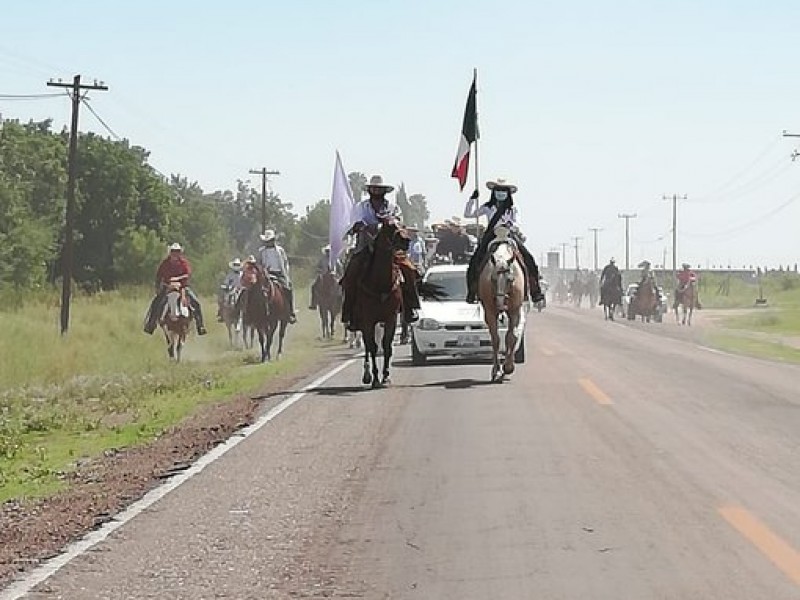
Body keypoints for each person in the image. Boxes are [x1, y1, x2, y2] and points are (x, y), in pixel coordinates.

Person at [340, 174, 420, 329]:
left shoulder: (392, 207)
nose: (376, 191)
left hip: (389, 248)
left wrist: (391, 223)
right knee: (350, 273)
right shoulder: (361, 207)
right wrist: (361, 226)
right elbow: (354, 223)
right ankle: (349, 312)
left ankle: (410, 308)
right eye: (373, 188)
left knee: (409, 270)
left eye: (379, 188)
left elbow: (398, 222)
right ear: (369, 190)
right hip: (365, 246)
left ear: (384, 191)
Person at [463, 178, 544, 304]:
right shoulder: (487, 207)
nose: (500, 193)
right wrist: (472, 199)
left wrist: (509, 226)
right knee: (475, 260)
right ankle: (472, 291)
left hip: (509, 234)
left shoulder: (513, 208)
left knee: (528, 258)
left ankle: (535, 291)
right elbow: (468, 214)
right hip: (491, 235)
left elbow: (517, 222)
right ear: (494, 192)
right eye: (498, 190)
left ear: (508, 193)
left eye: (503, 190)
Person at [144, 242, 207, 335]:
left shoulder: (184, 262)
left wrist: (177, 278)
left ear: (180, 253)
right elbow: (158, 276)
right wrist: (158, 287)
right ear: (170, 252)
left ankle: (200, 326)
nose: (175, 254)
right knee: (156, 303)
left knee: (196, 303)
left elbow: (187, 274)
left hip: (182, 287)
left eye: (177, 251)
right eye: (173, 251)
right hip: (167, 287)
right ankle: (151, 324)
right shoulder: (165, 263)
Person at [257, 229, 296, 323]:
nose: (268, 242)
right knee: (255, 290)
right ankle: (252, 313)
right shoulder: (261, 251)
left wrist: (286, 274)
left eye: (270, 240)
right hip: (266, 275)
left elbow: (285, 263)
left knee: (288, 289)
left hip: (279, 273)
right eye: (267, 241)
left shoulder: (280, 251)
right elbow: (259, 264)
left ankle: (290, 312)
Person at [217, 257, 243, 322]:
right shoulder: (230, 274)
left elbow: (244, 282)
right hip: (231, 290)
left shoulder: (242, 274)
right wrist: (226, 286)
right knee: (224, 299)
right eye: (235, 265)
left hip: (241, 290)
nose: (236, 266)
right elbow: (226, 282)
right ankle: (222, 313)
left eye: (237, 265)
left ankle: (248, 313)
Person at [309, 245, 334, 310]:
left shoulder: (335, 260)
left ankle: (341, 302)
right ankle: (313, 303)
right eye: (327, 251)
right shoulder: (322, 260)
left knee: (341, 287)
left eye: (329, 251)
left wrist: (335, 273)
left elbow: (340, 269)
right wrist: (320, 271)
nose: (328, 253)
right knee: (314, 286)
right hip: (323, 275)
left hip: (333, 276)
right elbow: (318, 267)